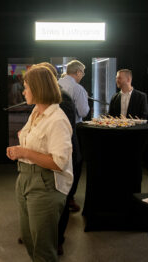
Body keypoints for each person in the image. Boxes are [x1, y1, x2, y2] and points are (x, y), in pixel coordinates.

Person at [7, 65, 73, 262]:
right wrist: (23, 143)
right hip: (25, 178)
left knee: (43, 248)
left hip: (44, 184)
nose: (24, 91)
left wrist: (24, 151)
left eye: (26, 87)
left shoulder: (57, 119)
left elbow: (59, 162)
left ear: (38, 88)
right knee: (29, 239)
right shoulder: (36, 112)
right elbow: (36, 141)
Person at [38, 62, 81, 255]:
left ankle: (58, 241)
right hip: (47, 159)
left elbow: (65, 134)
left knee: (60, 200)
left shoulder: (63, 100)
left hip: (61, 159)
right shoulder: (44, 99)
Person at [58, 60, 89, 212]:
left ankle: (59, 195)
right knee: (75, 163)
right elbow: (83, 112)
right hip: (71, 130)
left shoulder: (56, 84)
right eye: (82, 73)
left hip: (55, 129)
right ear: (77, 72)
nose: (82, 76)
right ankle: (69, 198)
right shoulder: (78, 88)